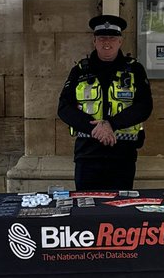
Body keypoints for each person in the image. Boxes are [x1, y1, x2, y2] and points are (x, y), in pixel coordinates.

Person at [57, 13, 153, 191]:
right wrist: (94, 128)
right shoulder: (79, 71)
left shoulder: (135, 70)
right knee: (87, 210)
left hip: (122, 155)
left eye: (112, 38)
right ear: (94, 41)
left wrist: (111, 124)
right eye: (101, 38)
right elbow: (64, 108)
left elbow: (144, 106)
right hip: (88, 155)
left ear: (120, 41)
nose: (106, 42)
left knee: (120, 212)